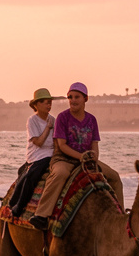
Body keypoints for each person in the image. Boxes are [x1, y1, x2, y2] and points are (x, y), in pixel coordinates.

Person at [30, 82, 124, 232]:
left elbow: (94, 144)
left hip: (86, 159)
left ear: (85, 99)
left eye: (76, 97)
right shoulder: (63, 117)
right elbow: (62, 145)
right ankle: (41, 214)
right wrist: (81, 157)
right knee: (60, 174)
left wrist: (93, 159)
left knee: (114, 176)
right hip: (64, 158)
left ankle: (120, 217)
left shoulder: (92, 120)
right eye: (70, 97)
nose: (73, 100)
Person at [7, 88, 63, 218]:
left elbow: (56, 141)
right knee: (29, 175)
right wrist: (48, 128)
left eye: (50, 102)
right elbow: (38, 142)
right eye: (45, 102)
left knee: (35, 172)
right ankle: (17, 206)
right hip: (37, 154)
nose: (49, 105)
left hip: (50, 154)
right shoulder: (32, 120)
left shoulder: (53, 119)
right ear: (36, 105)